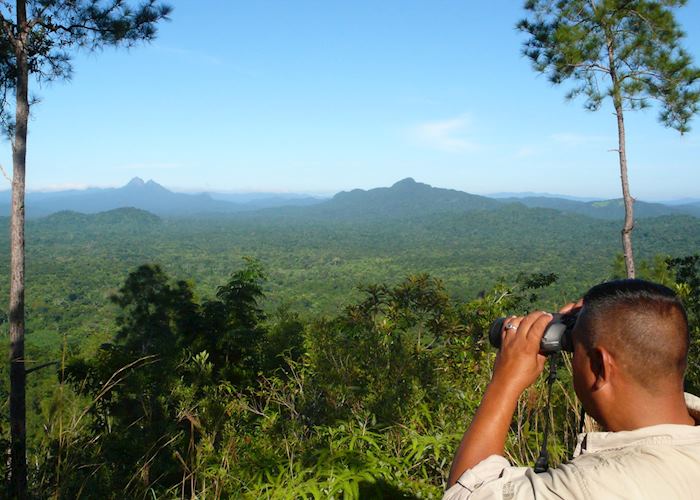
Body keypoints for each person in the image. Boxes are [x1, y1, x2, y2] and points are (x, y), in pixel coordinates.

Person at [444, 279, 700, 499]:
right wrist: (601, 314)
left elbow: (468, 491)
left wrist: (504, 382)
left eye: (574, 349)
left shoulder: (595, 486)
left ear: (600, 367)